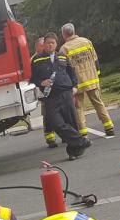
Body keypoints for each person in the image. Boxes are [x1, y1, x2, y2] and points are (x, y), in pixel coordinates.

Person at [30, 32, 91, 160]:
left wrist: (75, 86)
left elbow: (72, 72)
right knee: (56, 124)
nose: (50, 45)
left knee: (71, 122)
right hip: (50, 97)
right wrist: (41, 82)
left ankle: (73, 152)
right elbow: (32, 79)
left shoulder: (62, 57)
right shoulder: (37, 59)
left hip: (66, 93)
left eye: (52, 43)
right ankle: (81, 141)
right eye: (48, 43)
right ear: (44, 44)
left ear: (56, 44)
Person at [60, 23, 115, 137]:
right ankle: (109, 127)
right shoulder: (86, 41)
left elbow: (64, 69)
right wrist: (97, 75)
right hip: (92, 79)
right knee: (98, 103)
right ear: (73, 31)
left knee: (78, 107)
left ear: (64, 34)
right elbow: (95, 60)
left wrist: (69, 84)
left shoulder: (64, 49)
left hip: (77, 83)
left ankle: (83, 133)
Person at [31, 37, 57, 148]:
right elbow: (32, 78)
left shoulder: (49, 56)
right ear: (37, 47)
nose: (45, 47)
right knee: (47, 115)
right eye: (42, 45)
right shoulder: (34, 60)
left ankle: (64, 135)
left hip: (54, 91)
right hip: (42, 92)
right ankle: (50, 137)